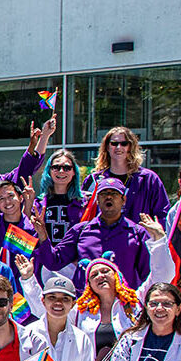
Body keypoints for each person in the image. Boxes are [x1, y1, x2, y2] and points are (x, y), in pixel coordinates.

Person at [35, 179, 169, 292]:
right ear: (97, 200)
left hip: (123, 307)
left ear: (123, 200)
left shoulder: (137, 233)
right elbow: (53, 262)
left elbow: (149, 274)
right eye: (104, 193)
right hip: (87, 308)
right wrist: (43, 235)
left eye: (114, 194)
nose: (108, 197)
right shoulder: (81, 230)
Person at [88, 125, 169, 222]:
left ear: (130, 147)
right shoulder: (93, 180)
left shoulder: (148, 179)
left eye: (124, 144)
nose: (118, 147)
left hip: (139, 236)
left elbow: (162, 214)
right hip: (102, 236)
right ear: (107, 147)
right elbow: (83, 213)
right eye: (114, 143)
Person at [35, 148, 87, 249]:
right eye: (56, 167)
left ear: (74, 172)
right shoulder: (38, 203)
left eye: (67, 168)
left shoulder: (84, 203)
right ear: (49, 171)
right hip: (46, 260)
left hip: (73, 262)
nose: (61, 171)